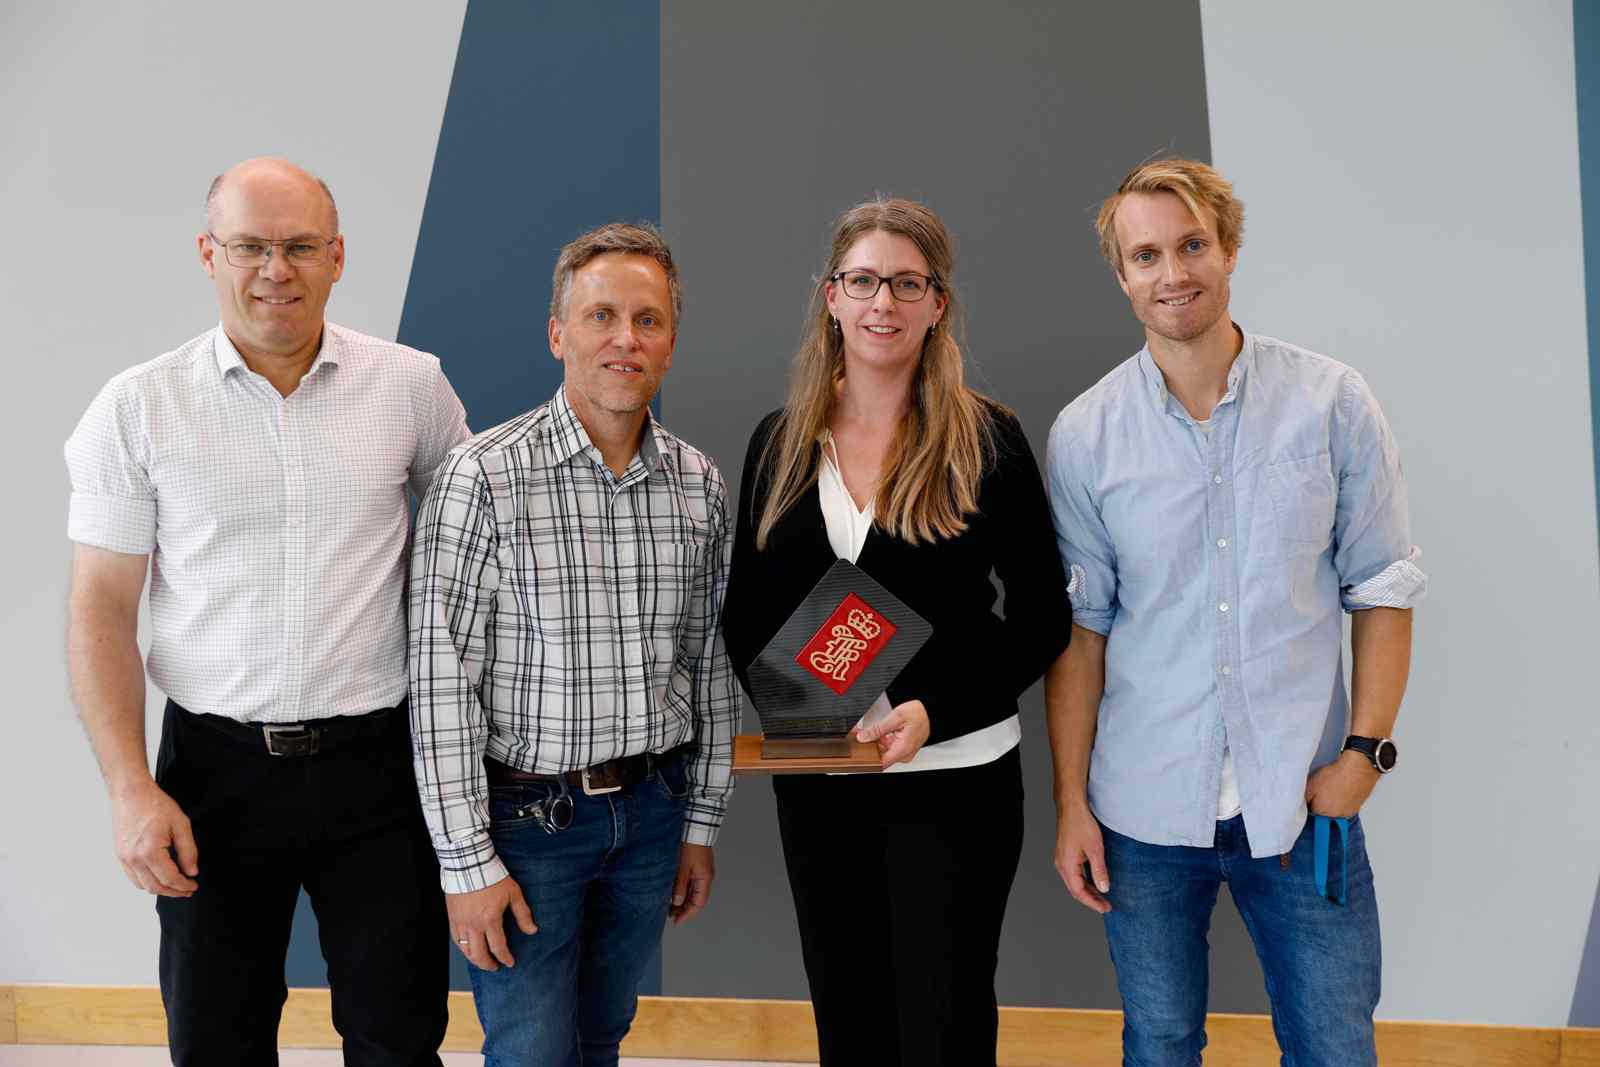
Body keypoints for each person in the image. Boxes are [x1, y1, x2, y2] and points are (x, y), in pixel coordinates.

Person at [64, 157, 470, 1065]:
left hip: (379, 770)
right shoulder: (138, 408)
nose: (275, 270)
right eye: (250, 246)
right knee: (216, 1041)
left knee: (400, 1039)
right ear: (209, 253)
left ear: (338, 257)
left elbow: (476, 562)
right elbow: (100, 609)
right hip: (214, 775)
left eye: (299, 247)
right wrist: (131, 790)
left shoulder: (411, 388)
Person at [1045, 157, 1425, 1066]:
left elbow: (1382, 587)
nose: (1172, 273)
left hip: (1302, 801)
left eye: (1191, 246)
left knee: (1334, 1045)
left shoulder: (1331, 403)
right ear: (1121, 273)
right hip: (1142, 814)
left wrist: (1364, 755)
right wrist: (1072, 803)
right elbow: (1082, 635)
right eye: (1146, 255)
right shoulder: (1086, 435)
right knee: (1161, 1043)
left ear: (1229, 250)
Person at [720, 198, 1071, 1067]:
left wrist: (933, 710)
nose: (884, 301)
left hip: (955, 777)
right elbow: (746, 611)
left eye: (908, 284)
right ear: (831, 297)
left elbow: (1041, 617)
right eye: (865, 281)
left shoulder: (986, 439)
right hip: (820, 783)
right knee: (849, 1024)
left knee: (945, 1027)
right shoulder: (780, 441)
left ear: (938, 304)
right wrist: (803, 715)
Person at [408, 222, 737, 1067]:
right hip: (527, 823)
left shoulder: (698, 485)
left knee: (600, 1036)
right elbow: (441, 683)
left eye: (648, 320)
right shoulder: (483, 477)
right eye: (601, 316)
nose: (626, 338)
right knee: (532, 1052)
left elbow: (707, 664)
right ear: (559, 334)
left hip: (653, 812)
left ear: (670, 341)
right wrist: (465, 864)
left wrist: (699, 821)